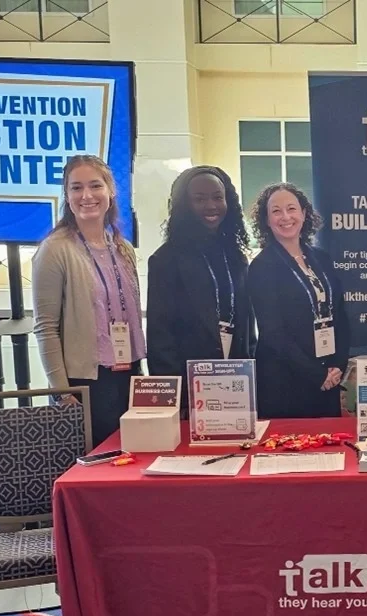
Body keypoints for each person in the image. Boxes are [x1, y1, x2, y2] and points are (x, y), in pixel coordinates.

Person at [32, 155, 145, 448]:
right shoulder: (54, 250)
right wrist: (61, 391)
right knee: (95, 470)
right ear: (67, 196)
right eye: (76, 188)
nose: (87, 196)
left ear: (110, 192)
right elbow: (45, 327)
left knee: (129, 463)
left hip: (127, 375)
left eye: (95, 186)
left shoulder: (123, 249)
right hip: (84, 385)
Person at [146, 166, 255, 412]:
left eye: (218, 197)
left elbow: (248, 325)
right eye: (200, 199)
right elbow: (159, 334)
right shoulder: (166, 260)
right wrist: (176, 399)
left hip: (238, 381)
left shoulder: (236, 257)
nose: (211, 205)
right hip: (190, 390)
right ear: (185, 204)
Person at [247, 182, 349, 419]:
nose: (285, 217)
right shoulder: (262, 267)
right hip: (285, 381)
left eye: (291, 209)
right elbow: (273, 333)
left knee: (329, 449)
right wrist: (317, 374)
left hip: (328, 375)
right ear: (266, 220)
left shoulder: (322, 258)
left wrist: (337, 365)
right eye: (276, 211)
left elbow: (340, 315)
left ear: (304, 214)